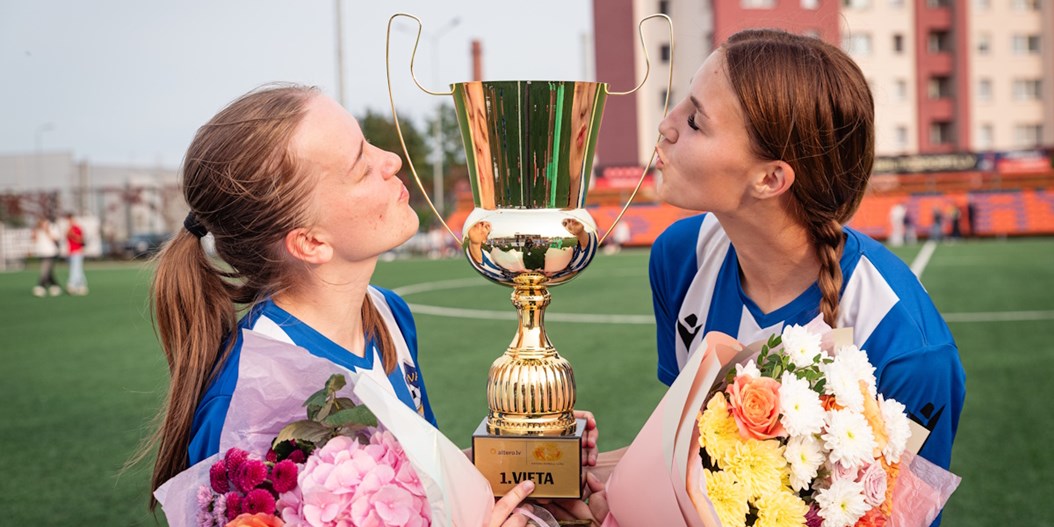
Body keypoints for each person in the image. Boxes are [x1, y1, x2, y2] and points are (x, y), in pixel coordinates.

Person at [139, 85, 588, 526]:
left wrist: (516, 458)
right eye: (360, 166)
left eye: (369, 143)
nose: (390, 160)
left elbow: (416, 491)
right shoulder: (248, 409)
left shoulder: (387, 313)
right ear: (311, 241)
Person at [639, 29, 963, 526]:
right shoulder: (679, 257)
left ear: (770, 178)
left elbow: (894, 517)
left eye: (697, 121)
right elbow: (681, 461)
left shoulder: (908, 349)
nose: (666, 124)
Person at [31, 217, 62, 297]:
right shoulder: (38, 229)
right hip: (41, 252)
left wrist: (47, 231)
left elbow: (56, 239)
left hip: (51, 252)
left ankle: (41, 286)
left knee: (44, 270)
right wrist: (34, 233)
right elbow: (34, 240)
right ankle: (55, 285)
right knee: (49, 271)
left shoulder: (53, 227)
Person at [64, 212, 89, 295]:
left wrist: (73, 235)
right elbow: (66, 237)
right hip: (71, 251)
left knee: (75, 269)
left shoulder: (77, 228)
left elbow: (81, 240)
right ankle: (82, 285)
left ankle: (72, 284)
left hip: (78, 251)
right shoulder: (68, 229)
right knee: (78, 269)